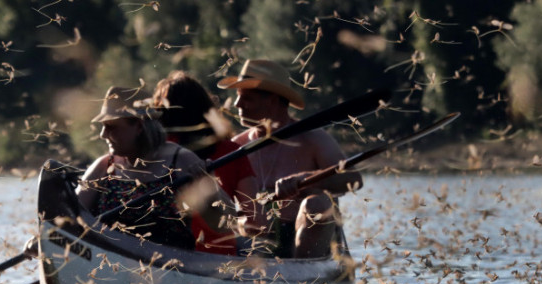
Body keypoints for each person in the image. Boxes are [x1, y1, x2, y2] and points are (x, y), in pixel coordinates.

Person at [217, 58, 363, 258]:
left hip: (314, 242)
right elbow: (222, 209)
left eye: (247, 98)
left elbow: (353, 180)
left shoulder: (314, 139)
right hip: (261, 242)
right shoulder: (237, 147)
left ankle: (302, 278)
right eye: (237, 96)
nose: (237, 104)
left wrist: (305, 183)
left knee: (317, 204)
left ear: (273, 100)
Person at [77, 85, 221, 250]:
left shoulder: (181, 160)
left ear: (139, 126)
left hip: (170, 266)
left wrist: (208, 185)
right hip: (111, 264)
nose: (103, 134)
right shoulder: (103, 167)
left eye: (111, 126)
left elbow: (220, 224)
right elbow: (69, 216)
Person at [151, 71, 256, 255]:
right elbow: (254, 220)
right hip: (222, 257)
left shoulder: (157, 152)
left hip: (167, 255)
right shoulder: (233, 151)